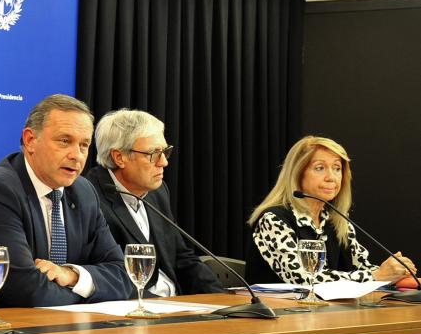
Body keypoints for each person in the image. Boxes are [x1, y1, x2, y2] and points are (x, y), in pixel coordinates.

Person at [0, 94, 132, 307]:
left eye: (84, 145)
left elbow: (123, 275)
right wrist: (88, 294)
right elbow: (23, 289)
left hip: (62, 331)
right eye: (65, 141)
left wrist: (72, 276)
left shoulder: (84, 192)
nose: (77, 155)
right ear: (30, 140)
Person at [84, 109, 223, 296]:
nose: (163, 162)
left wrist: (220, 298)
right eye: (153, 154)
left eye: (165, 152)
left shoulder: (157, 191)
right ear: (119, 157)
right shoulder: (90, 197)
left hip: (173, 304)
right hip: (135, 310)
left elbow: (182, 259)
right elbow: (109, 276)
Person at [246, 135, 416, 285]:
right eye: (320, 168)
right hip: (277, 315)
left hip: (325, 314)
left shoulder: (336, 220)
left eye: (337, 168)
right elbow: (304, 279)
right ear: (297, 174)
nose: (331, 177)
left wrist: (396, 273)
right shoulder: (273, 219)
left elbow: (362, 267)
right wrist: (377, 276)